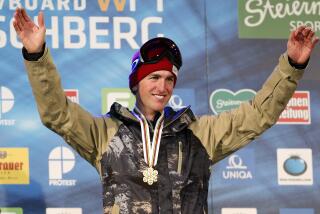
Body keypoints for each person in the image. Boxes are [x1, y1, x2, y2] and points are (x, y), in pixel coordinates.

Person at [13, 7, 318, 214]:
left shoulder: (199, 134)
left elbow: (258, 115)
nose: (162, 86)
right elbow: (58, 114)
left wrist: (291, 66)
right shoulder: (105, 133)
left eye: (169, 79)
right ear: (137, 82)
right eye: (154, 77)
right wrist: (36, 55)